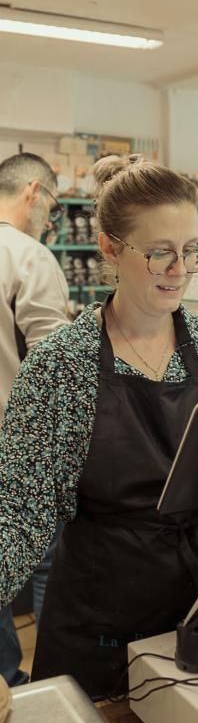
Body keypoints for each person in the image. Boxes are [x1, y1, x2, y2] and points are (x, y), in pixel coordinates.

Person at [0, 155, 198, 699]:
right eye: (160, 251)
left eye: (192, 251)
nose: (179, 269)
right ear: (110, 248)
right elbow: (17, 521)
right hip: (101, 633)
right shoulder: (60, 367)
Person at [0, 153, 69, 687]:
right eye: (52, 203)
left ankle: (3, 685)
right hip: (15, 447)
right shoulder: (27, 256)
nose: (50, 216)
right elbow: (52, 368)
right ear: (32, 192)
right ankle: (56, 684)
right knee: (46, 564)